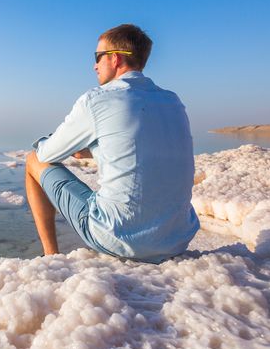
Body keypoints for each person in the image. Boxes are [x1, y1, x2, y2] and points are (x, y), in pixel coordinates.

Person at [24, 24, 200, 263]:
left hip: (121, 239)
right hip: (177, 239)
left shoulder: (97, 99)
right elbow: (142, 152)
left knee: (33, 159)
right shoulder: (173, 101)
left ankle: (49, 256)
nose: (94, 65)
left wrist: (53, 143)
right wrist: (96, 149)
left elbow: (46, 153)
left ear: (115, 59)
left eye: (98, 57)